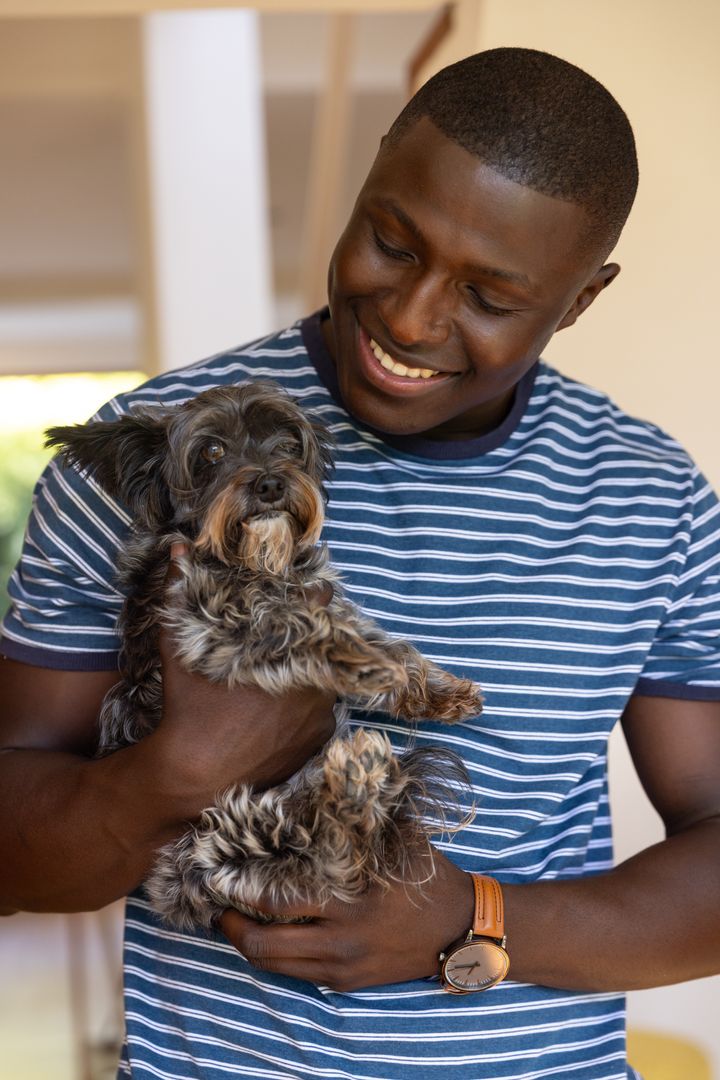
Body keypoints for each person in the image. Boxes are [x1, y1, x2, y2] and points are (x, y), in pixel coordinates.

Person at [1, 46, 719, 1080]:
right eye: (391, 241)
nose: (410, 318)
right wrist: (175, 774)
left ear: (579, 301)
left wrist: (473, 920)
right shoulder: (150, 454)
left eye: (490, 296)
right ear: (373, 171)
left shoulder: (653, 499)